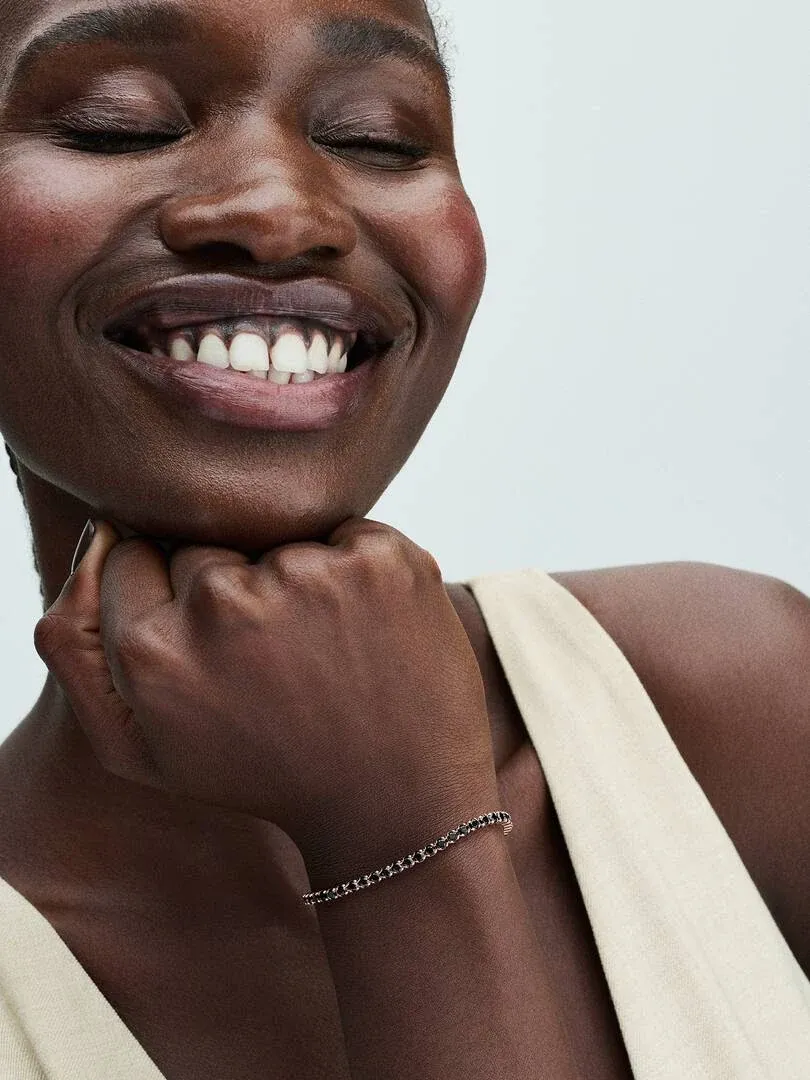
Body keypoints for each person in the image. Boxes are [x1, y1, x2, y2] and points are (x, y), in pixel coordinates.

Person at [0, 1, 807, 1078]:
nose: (281, 210)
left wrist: (399, 834)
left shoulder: (739, 702)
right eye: (119, 124)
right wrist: (393, 849)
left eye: (376, 136)